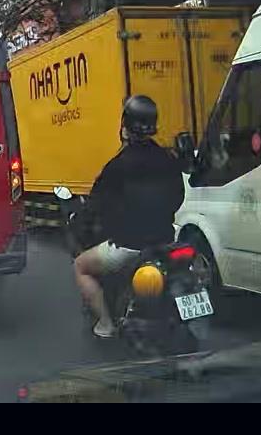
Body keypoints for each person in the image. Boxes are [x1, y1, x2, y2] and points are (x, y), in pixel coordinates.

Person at [73, 95, 186, 339]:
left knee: (81, 266)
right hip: (164, 241)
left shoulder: (117, 166)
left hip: (129, 246)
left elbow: (95, 206)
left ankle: (105, 324)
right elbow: (178, 196)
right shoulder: (168, 159)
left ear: (125, 126)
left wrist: (86, 221)